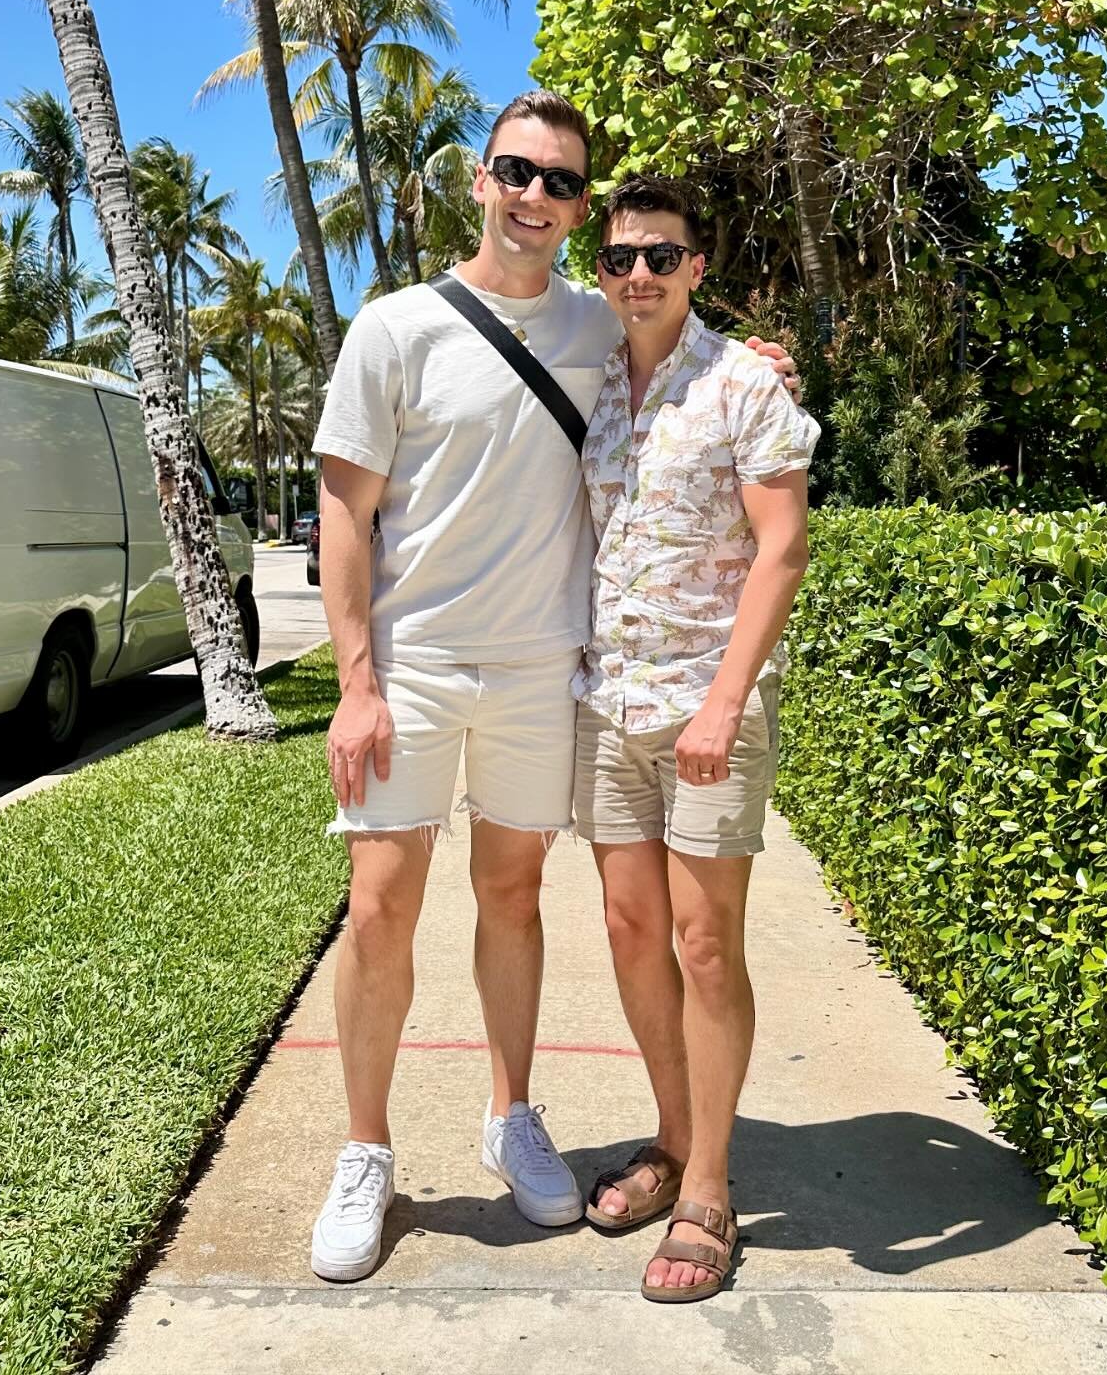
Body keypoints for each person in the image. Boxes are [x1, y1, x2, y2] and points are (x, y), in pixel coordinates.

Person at [307, 92, 795, 1283]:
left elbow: (680, 342)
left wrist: (756, 355)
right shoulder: (396, 327)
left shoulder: (596, 319)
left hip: (542, 672)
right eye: (518, 172)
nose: (539, 198)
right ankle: (365, 1152)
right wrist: (355, 680)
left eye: (563, 184)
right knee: (380, 907)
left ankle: (513, 1114)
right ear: (479, 180)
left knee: (514, 896)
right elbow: (343, 509)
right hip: (415, 666)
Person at [572, 175, 820, 1304]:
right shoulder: (587, 379)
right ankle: (673, 1135)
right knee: (632, 934)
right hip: (604, 704)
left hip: (705, 708)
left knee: (705, 944)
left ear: (696, 269)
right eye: (620, 257)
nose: (638, 275)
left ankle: (709, 1187)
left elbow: (782, 549)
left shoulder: (741, 385)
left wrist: (726, 700)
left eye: (661, 257)